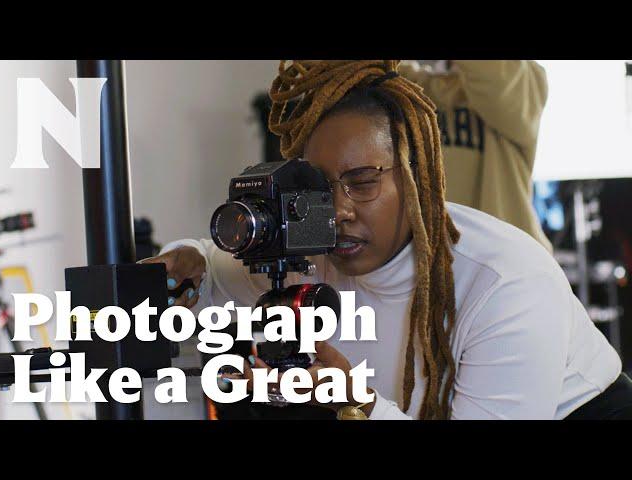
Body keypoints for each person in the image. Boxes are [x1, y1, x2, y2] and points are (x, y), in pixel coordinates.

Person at [143, 60, 631, 420]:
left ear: (416, 179)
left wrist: (355, 401)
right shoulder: (310, 252)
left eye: (363, 181)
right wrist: (187, 260)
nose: (338, 210)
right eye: (318, 188)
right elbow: (209, 271)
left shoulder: (502, 280)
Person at [399, 60, 552, 251]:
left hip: (507, 262)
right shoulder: (411, 83)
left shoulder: (522, 79)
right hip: (434, 262)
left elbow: (495, 80)